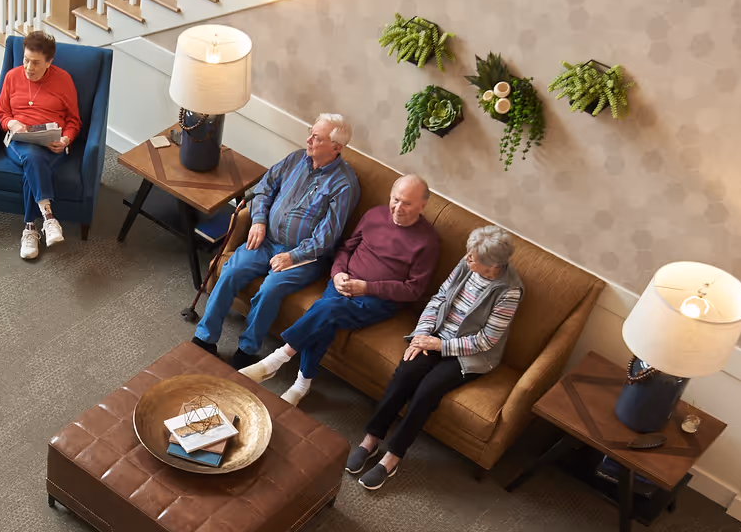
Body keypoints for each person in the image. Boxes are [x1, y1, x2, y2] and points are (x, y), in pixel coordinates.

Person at [349, 226, 524, 491]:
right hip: (436, 335)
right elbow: (439, 298)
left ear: (492, 265)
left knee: (427, 391)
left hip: (469, 354)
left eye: (473, 257)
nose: (467, 258)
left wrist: (440, 345)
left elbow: (486, 340)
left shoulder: (509, 291)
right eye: (469, 253)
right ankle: (371, 440)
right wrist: (422, 335)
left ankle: (392, 457)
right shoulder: (466, 265)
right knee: (405, 374)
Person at [242, 174, 440, 405]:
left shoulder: (428, 242)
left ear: (422, 206)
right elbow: (346, 248)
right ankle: (302, 384)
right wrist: (337, 274)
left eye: (407, 203)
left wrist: (367, 287)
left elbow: (413, 290)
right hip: (342, 283)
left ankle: (276, 360)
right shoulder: (374, 215)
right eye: (395, 199)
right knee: (326, 315)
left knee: (326, 309)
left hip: (378, 299)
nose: (398, 208)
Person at [192, 114, 361, 368]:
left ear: (336, 147)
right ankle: (205, 337)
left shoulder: (344, 185)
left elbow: (327, 236)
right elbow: (264, 188)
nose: (309, 140)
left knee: (270, 289)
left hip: (304, 257)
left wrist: (293, 256)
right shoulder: (296, 159)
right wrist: (259, 220)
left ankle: (247, 349)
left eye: (317, 137)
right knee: (230, 270)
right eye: (311, 132)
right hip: (267, 239)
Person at [0, 30, 83, 261]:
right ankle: (49, 217)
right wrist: (12, 123)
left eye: (35, 62)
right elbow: (2, 113)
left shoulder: (63, 80)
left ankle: (29, 228)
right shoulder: (12, 77)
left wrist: (65, 140)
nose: (28, 67)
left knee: (32, 167)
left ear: (49, 61)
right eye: (25, 60)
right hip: (20, 143)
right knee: (32, 157)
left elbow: (74, 121)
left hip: (52, 144)